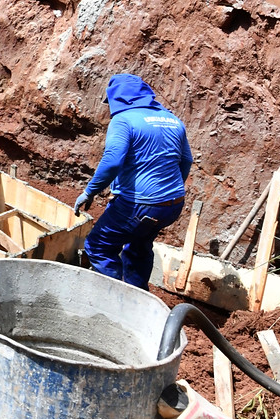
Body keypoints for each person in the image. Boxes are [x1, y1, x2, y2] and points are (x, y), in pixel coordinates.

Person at [73, 74, 192, 288]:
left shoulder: (124, 120)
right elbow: (186, 162)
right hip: (173, 205)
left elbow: (112, 161)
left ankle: (116, 301)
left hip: (139, 205)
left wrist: (90, 191)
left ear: (120, 98)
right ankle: (139, 295)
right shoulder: (173, 120)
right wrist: (164, 193)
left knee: (98, 246)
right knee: (139, 244)